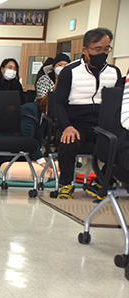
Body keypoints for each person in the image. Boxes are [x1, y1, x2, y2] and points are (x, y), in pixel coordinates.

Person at [54, 28, 123, 199]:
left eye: (106, 49)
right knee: (68, 144)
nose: (103, 53)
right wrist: (67, 126)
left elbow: (118, 104)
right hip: (75, 123)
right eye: (97, 49)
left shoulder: (114, 72)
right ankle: (66, 184)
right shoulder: (69, 72)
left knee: (122, 146)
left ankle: (100, 182)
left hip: (102, 124)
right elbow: (58, 104)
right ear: (85, 49)